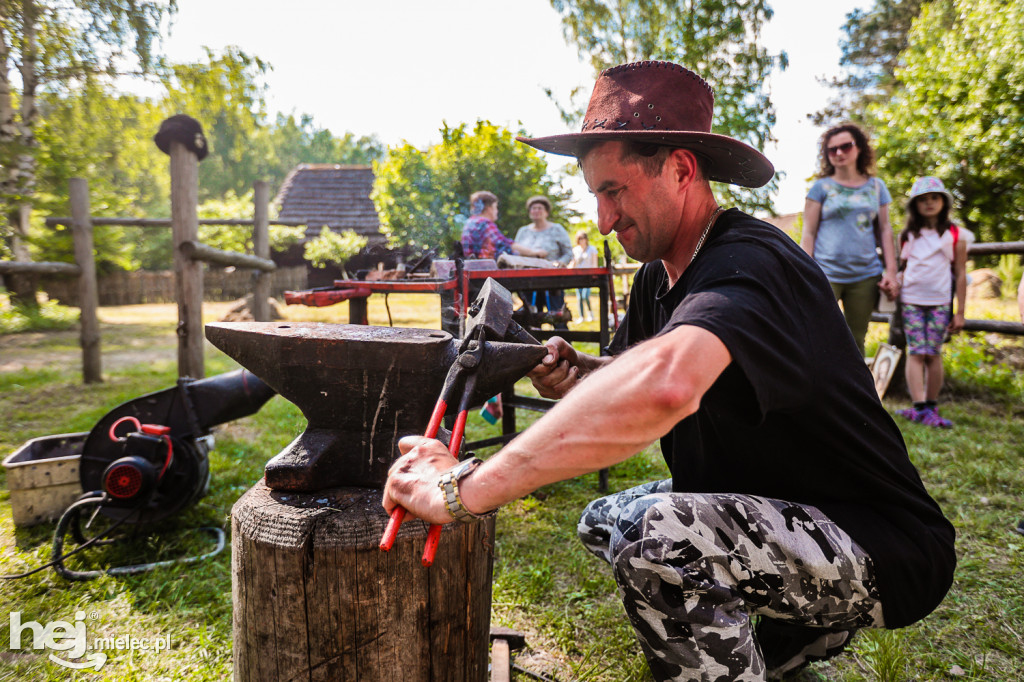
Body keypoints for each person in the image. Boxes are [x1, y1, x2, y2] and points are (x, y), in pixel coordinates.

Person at [384, 61, 955, 681]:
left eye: (614, 191)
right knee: (606, 520)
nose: (603, 221)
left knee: (661, 542)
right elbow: (630, 369)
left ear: (681, 169)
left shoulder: (750, 261)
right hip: (778, 504)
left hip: (876, 540)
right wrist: (580, 374)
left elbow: (667, 385)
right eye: (596, 195)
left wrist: (462, 491)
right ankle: (785, 647)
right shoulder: (660, 274)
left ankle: (811, 622)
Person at [801, 123, 899, 356]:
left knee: (856, 339)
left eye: (845, 146)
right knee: (815, 333)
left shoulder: (877, 187)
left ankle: (851, 392)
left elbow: (885, 230)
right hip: (825, 275)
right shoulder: (820, 188)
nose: (839, 153)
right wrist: (803, 271)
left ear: (859, 148)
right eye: (832, 149)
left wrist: (892, 273)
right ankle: (817, 389)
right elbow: (809, 232)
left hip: (865, 276)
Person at [894, 177, 970, 428]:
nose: (929, 203)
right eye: (923, 199)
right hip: (911, 301)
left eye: (934, 198)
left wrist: (960, 312)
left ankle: (931, 406)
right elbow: (902, 268)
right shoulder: (906, 235)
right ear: (915, 205)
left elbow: (960, 273)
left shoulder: (955, 234)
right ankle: (918, 407)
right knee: (916, 352)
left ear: (943, 202)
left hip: (940, 303)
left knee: (933, 353)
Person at [515, 196, 573, 322]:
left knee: (558, 315)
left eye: (539, 208)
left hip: (553, 280)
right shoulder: (523, 231)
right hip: (528, 280)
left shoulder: (557, 229)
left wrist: (561, 262)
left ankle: (561, 339)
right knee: (529, 317)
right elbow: (515, 254)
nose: (536, 211)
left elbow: (568, 253)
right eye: (533, 208)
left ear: (546, 212)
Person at [460, 191, 544, 260]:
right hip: (484, 270)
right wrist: (534, 252)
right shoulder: (484, 223)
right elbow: (505, 244)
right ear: (489, 208)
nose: (497, 211)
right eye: (495, 207)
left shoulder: (470, 222)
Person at [570, 230, 599, 322]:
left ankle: (591, 314)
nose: (581, 240)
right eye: (579, 238)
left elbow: (595, 263)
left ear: (586, 239)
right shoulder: (575, 250)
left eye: (583, 238)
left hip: (588, 276)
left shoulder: (592, 249)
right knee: (579, 297)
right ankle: (582, 316)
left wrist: (594, 274)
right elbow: (572, 263)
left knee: (585, 296)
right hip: (578, 276)